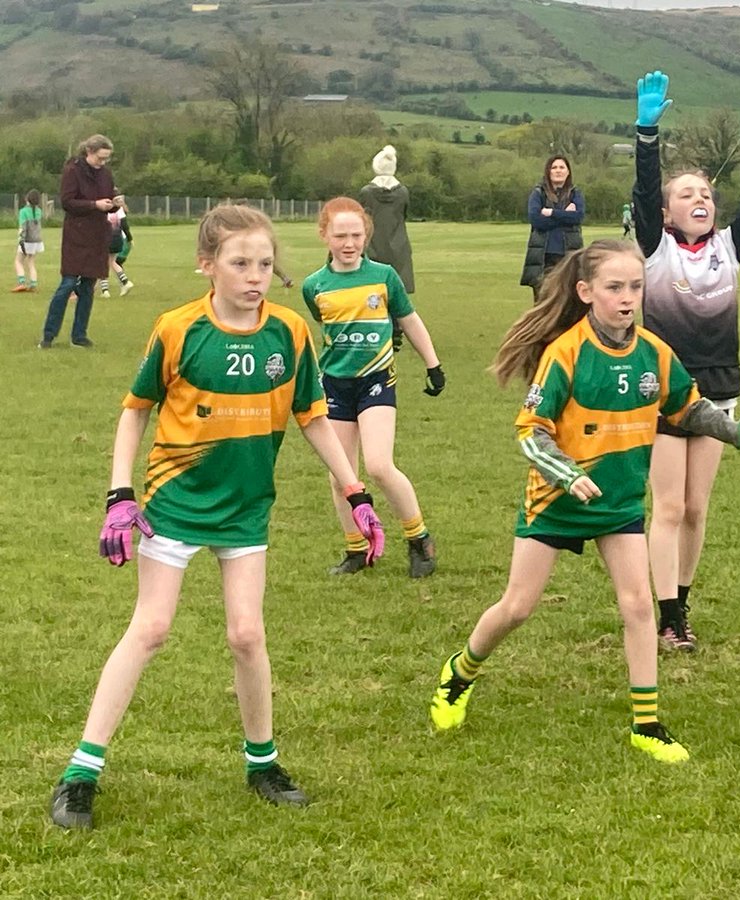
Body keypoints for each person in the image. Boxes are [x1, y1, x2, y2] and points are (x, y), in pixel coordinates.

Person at [47, 205, 386, 831]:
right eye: (240, 263)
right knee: (149, 628)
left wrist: (356, 491)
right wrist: (119, 494)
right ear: (208, 266)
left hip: (247, 510)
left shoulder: (289, 333)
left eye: (263, 263)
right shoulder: (177, 329)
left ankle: (263, 763)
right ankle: (79, 774)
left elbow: (312, 416)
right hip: (174, 505)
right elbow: (135, 410)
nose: (255, 275)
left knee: (247, 635)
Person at [428, 239, 740, 763]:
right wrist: (567, 476)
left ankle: (647, 724)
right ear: (586, 292)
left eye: (636, 287)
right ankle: (460, 672)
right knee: (518, 607)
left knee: (639, 606)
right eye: (615, 287)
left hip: (618, 504)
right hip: (557, 501)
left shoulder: (654, 354)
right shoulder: (565, 353)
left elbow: (688, 410)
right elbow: (530, 432)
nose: (627, 298)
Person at [631, 70, 740, 650]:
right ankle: (665, 616)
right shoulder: (653, 247)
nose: (700, 200)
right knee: (668, 506)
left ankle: (681, 605)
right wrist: (646, 135)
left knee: (697, 509)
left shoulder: (729, 246)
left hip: (718, 389)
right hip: (663, 391)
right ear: (667, 213)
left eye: (706, 194)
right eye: (686, 195)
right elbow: (645, 195)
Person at [301, 197, 445, 577]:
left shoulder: (383, 276)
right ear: (324, 236)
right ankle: (356, 550)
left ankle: (419, 540)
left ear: (367, 234)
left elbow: (409, 320)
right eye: (340, 235)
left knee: (379, 466)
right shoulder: (314, 286)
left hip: (377, 381)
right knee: (340, 475)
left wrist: (433, 364)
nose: (349, 243)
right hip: (334, 385)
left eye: (356, 235)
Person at [39, 135, 118, 349]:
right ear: (89, 152)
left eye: (106, 159)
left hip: (97, 236)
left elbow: (108, 199)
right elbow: (67, 202)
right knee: (67, 285)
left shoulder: (106, 174)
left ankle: (79, 335)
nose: (103, 163)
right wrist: (94, 205)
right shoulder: (72, 171)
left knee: (88, 287)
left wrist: (114, 204)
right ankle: (48, 335)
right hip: (76, 235)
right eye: (101, 158)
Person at [519, 155, 585, 302]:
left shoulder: (575, 194)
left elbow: (577, 217)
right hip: (543, 255)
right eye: (554, 167)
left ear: (568, 172)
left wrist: (551, 213)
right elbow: (537, 221)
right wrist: (565, 215)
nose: (558, 171)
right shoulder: (538, 193)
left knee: (567, 301)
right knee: (543, 301)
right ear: (548, 171)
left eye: (562, 167)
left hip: (568, 255)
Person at [360, 144, 416, 294]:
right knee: (397, 295)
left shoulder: (366, 193)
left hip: (372, 246)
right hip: (399, 246)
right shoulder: (403, 192)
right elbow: (404, 215)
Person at [100, 197, 134, 298]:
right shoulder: (119, 209)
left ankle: (105, 290)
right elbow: (124, 225)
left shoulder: (103, 207)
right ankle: (125, 282)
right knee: (112, 262)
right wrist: (130, 238)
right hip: (117, 238)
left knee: (103, 263)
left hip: (106, 238)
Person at [12, 189, 43, 292]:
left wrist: (21, 239)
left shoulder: (23, 211)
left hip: (27, 241)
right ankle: (33, 283)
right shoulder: (39, 211)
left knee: (18, 261)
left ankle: (21, 282)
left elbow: (23, 227)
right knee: (31, 262)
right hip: (37, 241)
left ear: (27, 199)